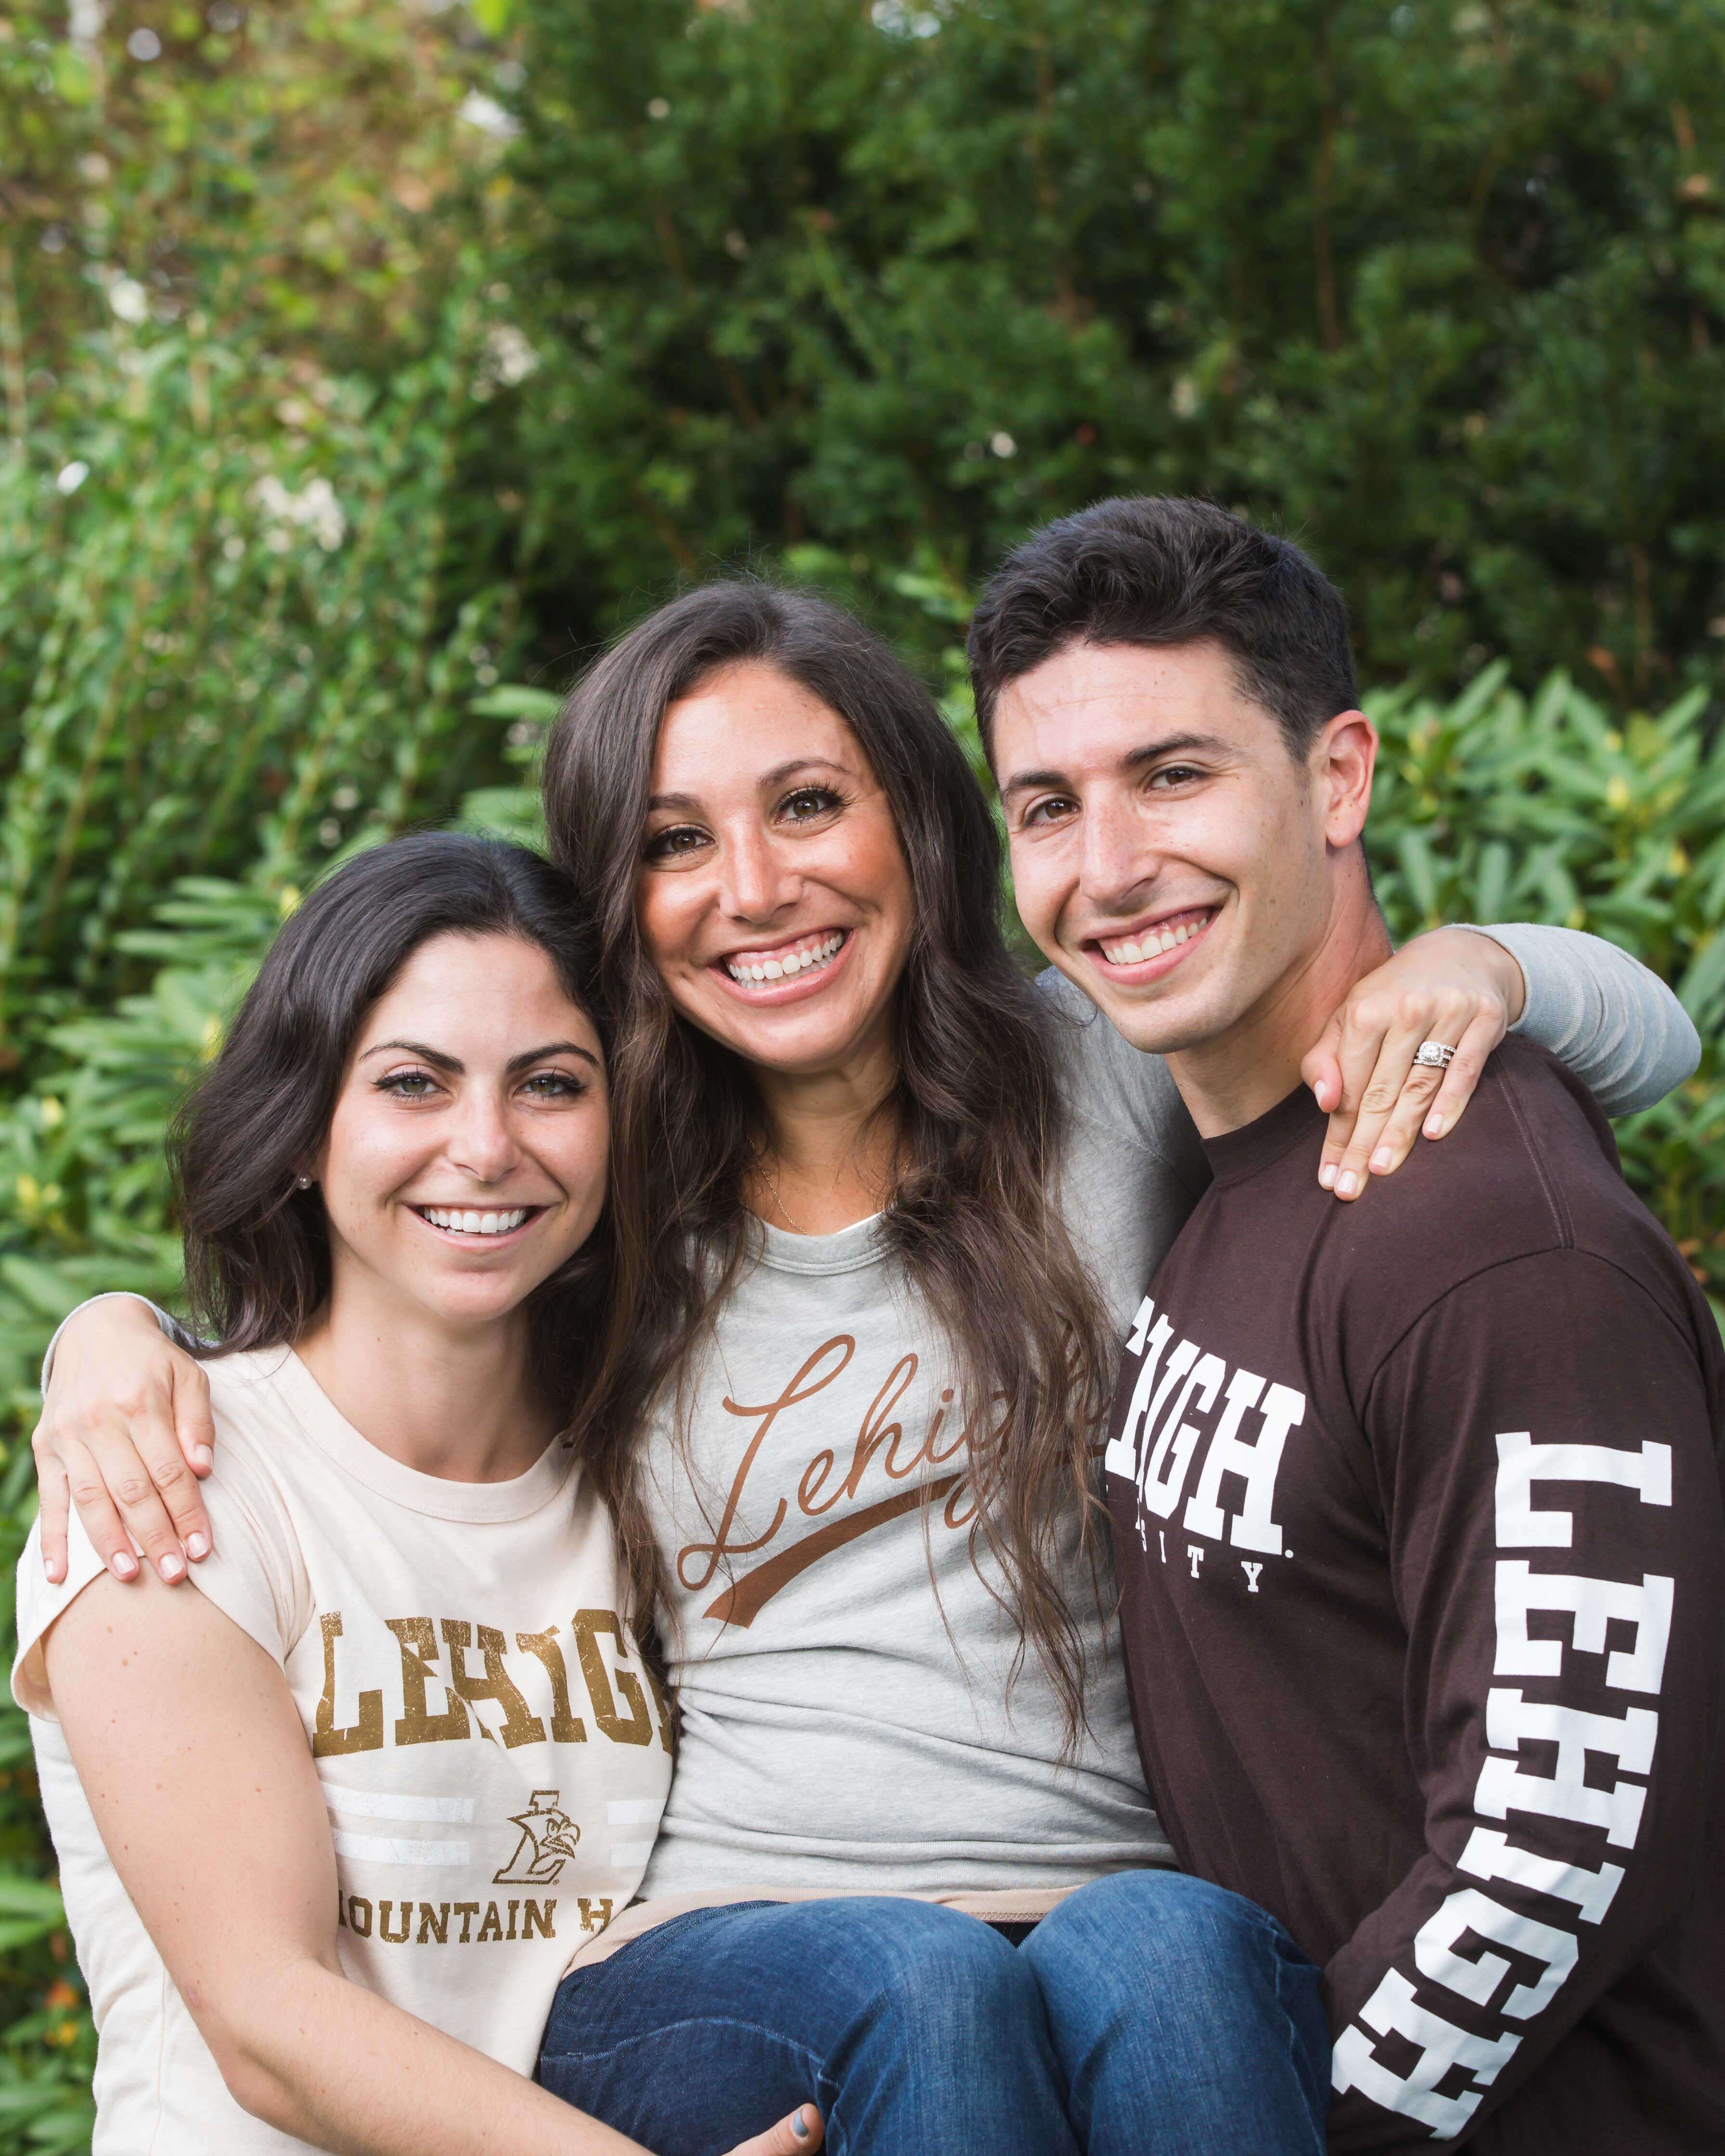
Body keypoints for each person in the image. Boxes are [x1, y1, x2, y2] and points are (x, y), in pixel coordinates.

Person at [30, 587, 1699, 2154]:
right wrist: (109, 1340)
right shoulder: (613, 1198)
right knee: (928, 1984)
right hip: (731, 1955)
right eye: (677, 842)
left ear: (917, 816)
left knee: (1185, 1957)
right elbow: (371, 1328)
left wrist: (1484, 967)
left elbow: (1656, 1039)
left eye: (809, 807)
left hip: (1111, 1905)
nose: (755, 887)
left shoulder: (1097, 1084)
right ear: (627, 900)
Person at [969, 494, 1725, 2152]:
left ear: (1338, 778)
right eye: (1049, 805)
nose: (1109, 867)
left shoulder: (1495, 1245)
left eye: (1175, 775)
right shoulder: (1207, 1148)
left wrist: (1273, 2120)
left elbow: (1559, 1845)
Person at [13, 834, 821, 2156]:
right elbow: (269, 2023)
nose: (488, 1145)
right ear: (299, 1134)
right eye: (413, 1084)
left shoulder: (637, 1485)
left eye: (551, 1084)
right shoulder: (168, 1478)